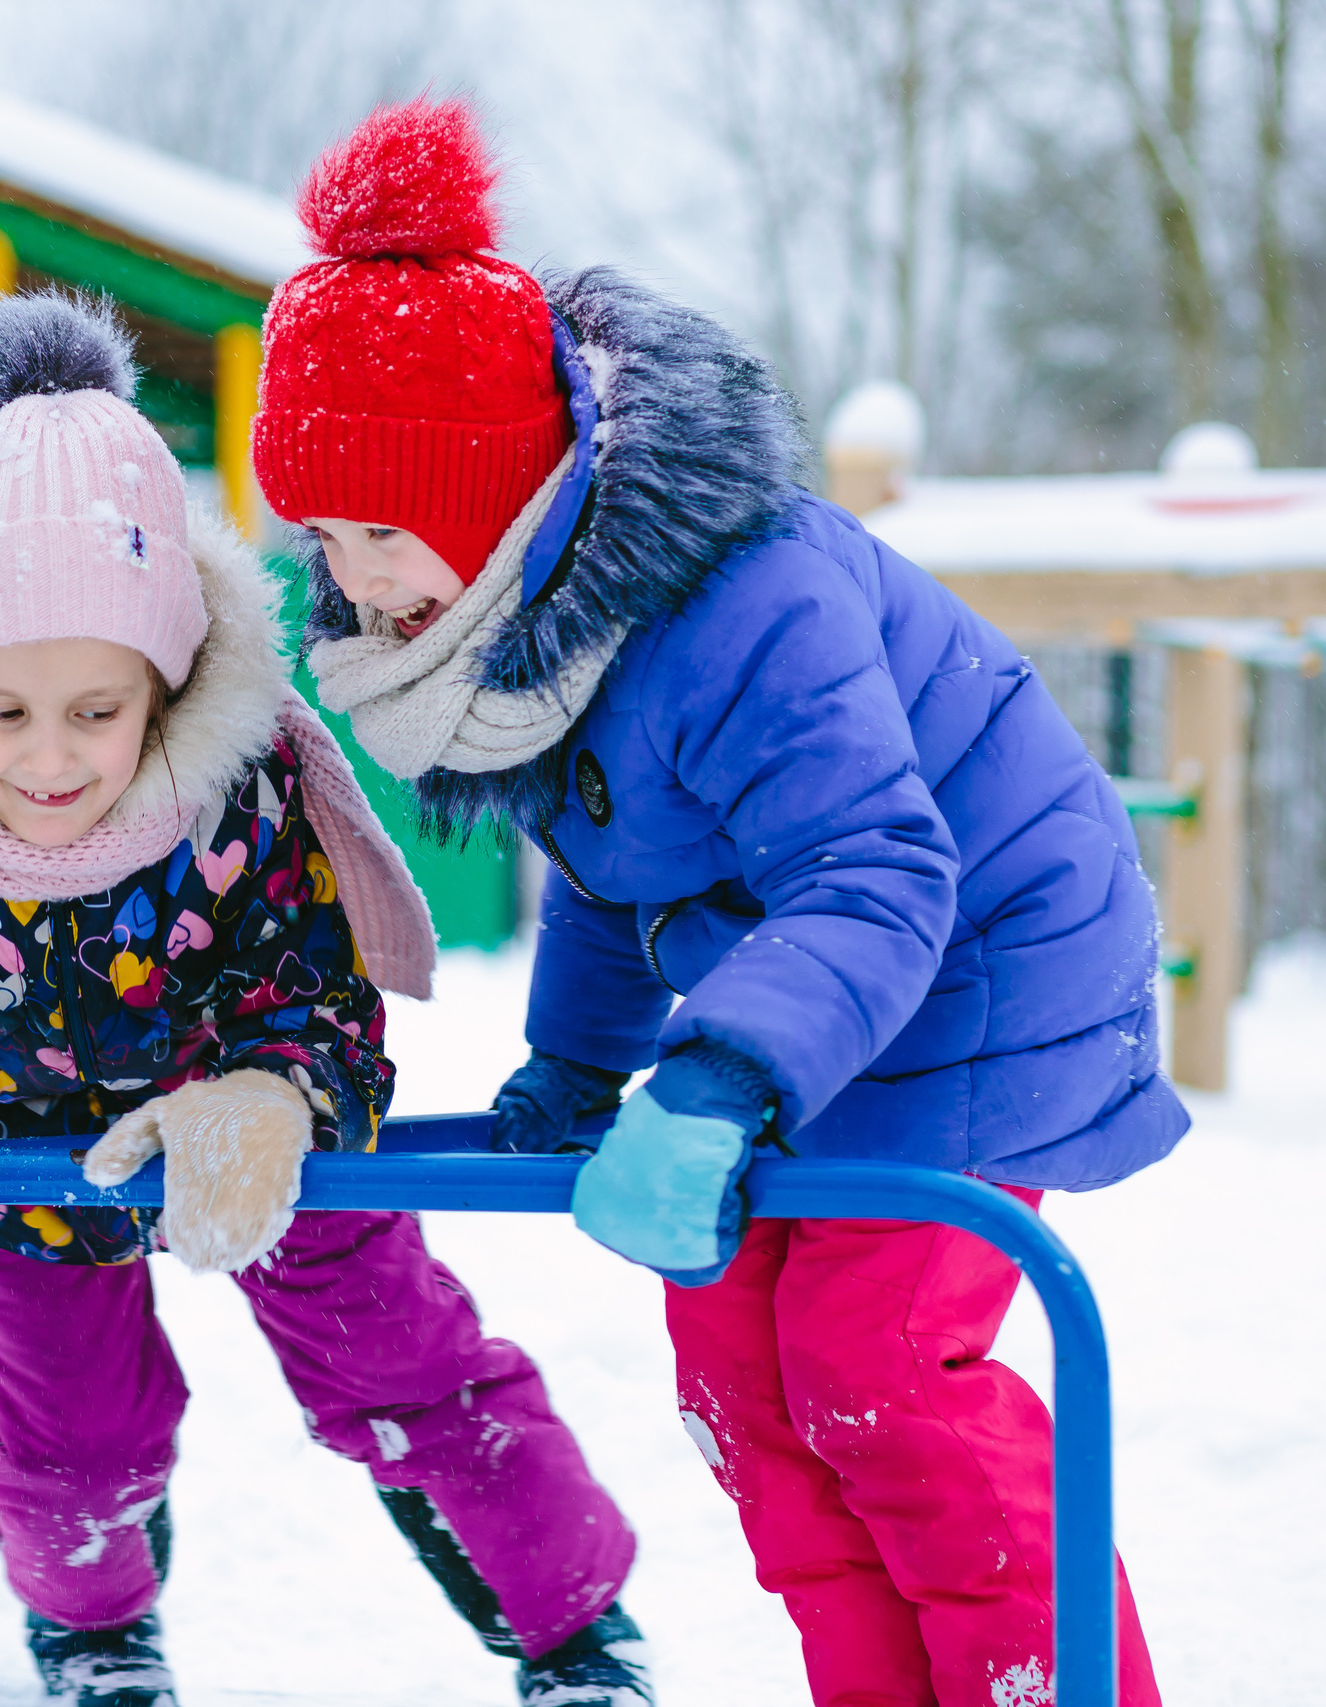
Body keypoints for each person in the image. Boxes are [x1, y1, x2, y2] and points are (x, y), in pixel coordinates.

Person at [254, 99, 1185, 1707]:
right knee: (742, 1383)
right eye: (322, 534)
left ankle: (1046, 1688)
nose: (352, 578)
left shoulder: (742, 602)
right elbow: (623, 877)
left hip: (983, 967)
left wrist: (715, 1078)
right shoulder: (519, 632)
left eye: (378, 529)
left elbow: (881, 875)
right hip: (819, 989)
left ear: (490, 497)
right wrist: (572, 1072)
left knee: (873, 1363)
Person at [0, 293, 651, 1707]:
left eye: (98, 712)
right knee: (69, 1450)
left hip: (254, 1144)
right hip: (13, 1172)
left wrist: (270, 1096)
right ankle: (97, 1637)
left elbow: (321, 1002)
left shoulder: (235, 794)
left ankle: (577, 1636)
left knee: (404, 1366)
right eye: (2, 715)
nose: (51, 760)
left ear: (168, 685)